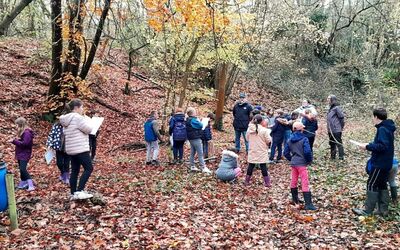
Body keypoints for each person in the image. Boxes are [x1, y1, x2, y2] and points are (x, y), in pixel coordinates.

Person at [353, 108, 396, 217]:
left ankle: (367, 211)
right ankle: (383, 210)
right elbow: (382, 143)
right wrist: (368, 143)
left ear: (376, 117)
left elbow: (382, 146)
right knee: (382, 184)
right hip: (386, 162)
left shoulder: (382, 129)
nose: (373, 119)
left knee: (371, 184)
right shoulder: (388, 127)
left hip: (380, 163)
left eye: (373, 117)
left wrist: (367, 147)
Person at [60, 99, 94, 200]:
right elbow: (88, 129)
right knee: (89, 168)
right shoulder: (78, 118)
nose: (82, 109)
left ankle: (73, 192)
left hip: (71, 149)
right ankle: (80, 190)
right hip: (80, 148)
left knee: (75, 170)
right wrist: (90, 122)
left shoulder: (65, 119)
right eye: (82, 107)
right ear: (77, 108)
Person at [284, 121, 316, 210]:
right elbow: (307, 152)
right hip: (302, 164)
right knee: (304, 181)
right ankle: (308, 204)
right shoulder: (304, 139)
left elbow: (285, 153)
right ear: (301, 129)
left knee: (293, 180)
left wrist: (292, 159)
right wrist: (309, 160)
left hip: (294, 163)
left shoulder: (289, 140)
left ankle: (295, 200)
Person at [245, 114, 272, 187]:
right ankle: (267, 182)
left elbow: (247, 139)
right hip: (262, 149)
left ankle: (246, 181)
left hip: (252, 149)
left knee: (251, 165)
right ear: (262, 121)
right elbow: (268, 140)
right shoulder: (264, 130)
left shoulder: (249, 129)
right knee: (263, 166)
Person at [11, 117, 35, 191]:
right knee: (21, 169)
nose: (15, 126)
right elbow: (23, 141)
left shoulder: (27, 133)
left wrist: (14, 141)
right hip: (21, 153)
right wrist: (18, 140)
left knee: (23, 169)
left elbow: (25, 144)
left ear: (20, 125)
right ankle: (23, 182)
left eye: (16, 125)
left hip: (25, 154)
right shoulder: (23, 133)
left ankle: (31, 184)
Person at [47, 111, 71, 185]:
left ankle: (66, 177)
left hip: (68, 147)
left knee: (66, 163)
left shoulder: (70, 126)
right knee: (59, 163)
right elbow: (51, 135)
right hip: (58, 147)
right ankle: (63, 173)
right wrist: (49, 144)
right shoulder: (56, 126)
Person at [186, 107, 212, 174]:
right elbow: (201, 125)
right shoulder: (193, 120)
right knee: (200, 153)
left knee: (193, 152)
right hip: (195, 138)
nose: (196, 112)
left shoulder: (188, 119)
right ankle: (203, 167)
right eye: (195, 111)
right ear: (192, 113)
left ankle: (192, 165)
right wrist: (203, 122)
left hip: (191, 138)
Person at [327, 95, 345, 160]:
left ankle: (341, 157)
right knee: (332, 143)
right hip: (330, 130)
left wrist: (341, 127)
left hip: (336, 129)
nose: (327, 100)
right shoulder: (330, 108)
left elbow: (341, 117)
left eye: (329, 98)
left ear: (332, 99)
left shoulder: (337, 108)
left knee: (338, 143)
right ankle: (332, 157)